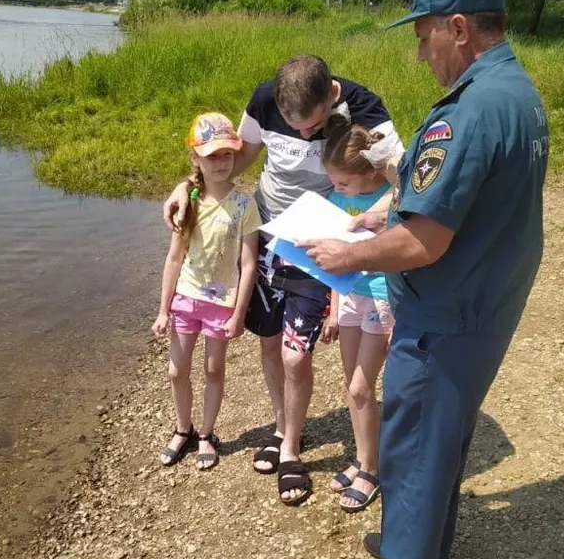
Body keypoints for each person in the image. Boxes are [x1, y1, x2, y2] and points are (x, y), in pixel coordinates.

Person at [299, 0, 549, 559]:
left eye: (425, 34)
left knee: (410, 442)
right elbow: (460, 197)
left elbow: (424, 244)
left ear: (460, 28)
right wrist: (394, 206)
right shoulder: (514, 90)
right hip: (485, 303)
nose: (419, 51)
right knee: (444, 438)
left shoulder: (466, 112)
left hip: (447, 312)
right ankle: (424, 549)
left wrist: (348, 251)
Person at [162, 56, 402, 505]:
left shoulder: (366, 109)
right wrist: (187, 186)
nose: (306, 135)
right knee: (269, 343)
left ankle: (292, 450)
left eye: (313, 127)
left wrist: (370, 218)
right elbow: (233, 162)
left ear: (332, 97)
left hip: (323, 248)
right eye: (295, 127)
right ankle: (283, 429)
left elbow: (405, 183)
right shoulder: (263, 101)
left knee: (296, 356)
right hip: (270, 236)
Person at [151, 112, 260, 471]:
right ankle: (183, 429)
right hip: (186, 298)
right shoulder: (188, 201)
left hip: (222, 304)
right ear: (195, 158)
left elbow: (248, 265)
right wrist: (163, 310)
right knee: (176, 370)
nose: (221, 163)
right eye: (211, 155)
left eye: (227, 154)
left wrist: (239, 313)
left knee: (214, 370)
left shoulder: (245, 206)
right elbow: (173, 258)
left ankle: (206, 434)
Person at [319, 115, 395, 513]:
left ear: (368, 173)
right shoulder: (337, 200)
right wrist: (332, 309)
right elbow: (333, 259)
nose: (337, 190)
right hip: (348, 297)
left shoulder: (390, 201)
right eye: (333, 183)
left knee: (363, 388)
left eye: (344, 183)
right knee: (352, 384)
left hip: (380, 297)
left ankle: (372, 469)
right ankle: (362, 458)